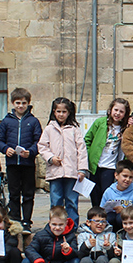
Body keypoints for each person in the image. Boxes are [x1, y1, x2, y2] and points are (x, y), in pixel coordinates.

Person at [0, 88, 42, 234]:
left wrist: (31, 152)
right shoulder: (6, 121)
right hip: (12, 164)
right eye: (18, 103)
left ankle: (27, 221)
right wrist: (5, 149)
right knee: (14, 193)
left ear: (28, 103)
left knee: (28, 194)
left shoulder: (33, 121)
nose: (20, 106)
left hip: (28, 164)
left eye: (23, 103)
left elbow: (39, 141)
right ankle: (15, 219)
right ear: (12, 103)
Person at [38, 97, 88, 227]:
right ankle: (55, 226)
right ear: (54, 112)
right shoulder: (49, 128)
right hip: (55, 172)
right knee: (56, 201)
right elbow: (42, 146)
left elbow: (81, 150)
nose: (61, 114)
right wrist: (51, 158)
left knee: (72, 201)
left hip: (72, 173)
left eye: (64, 112)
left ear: (69, 112)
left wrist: (82, 169)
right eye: (58, 111)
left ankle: (72, 226)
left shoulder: (74, 129)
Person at [85, 98, 131, 208]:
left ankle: (106, 218)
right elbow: (87, 139)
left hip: (110, 167)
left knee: (107, 195)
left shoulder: (125, 128)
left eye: (121, 111)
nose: (117, 113)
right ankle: (95, 219)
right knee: (95, 195)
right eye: (115, 110)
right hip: (95, 166)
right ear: (110, 110)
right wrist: (88, 155)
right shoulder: (100, 122)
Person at [100, 159, 133, 232]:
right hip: (111, 219)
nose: (127, 179)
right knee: (109, 217)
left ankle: (123, 236)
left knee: (120, 218)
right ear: (116, 175)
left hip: (127, 222)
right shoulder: (109, 191)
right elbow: (102, 210)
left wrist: (124, 211)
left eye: (130, 177)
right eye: (125, 176)